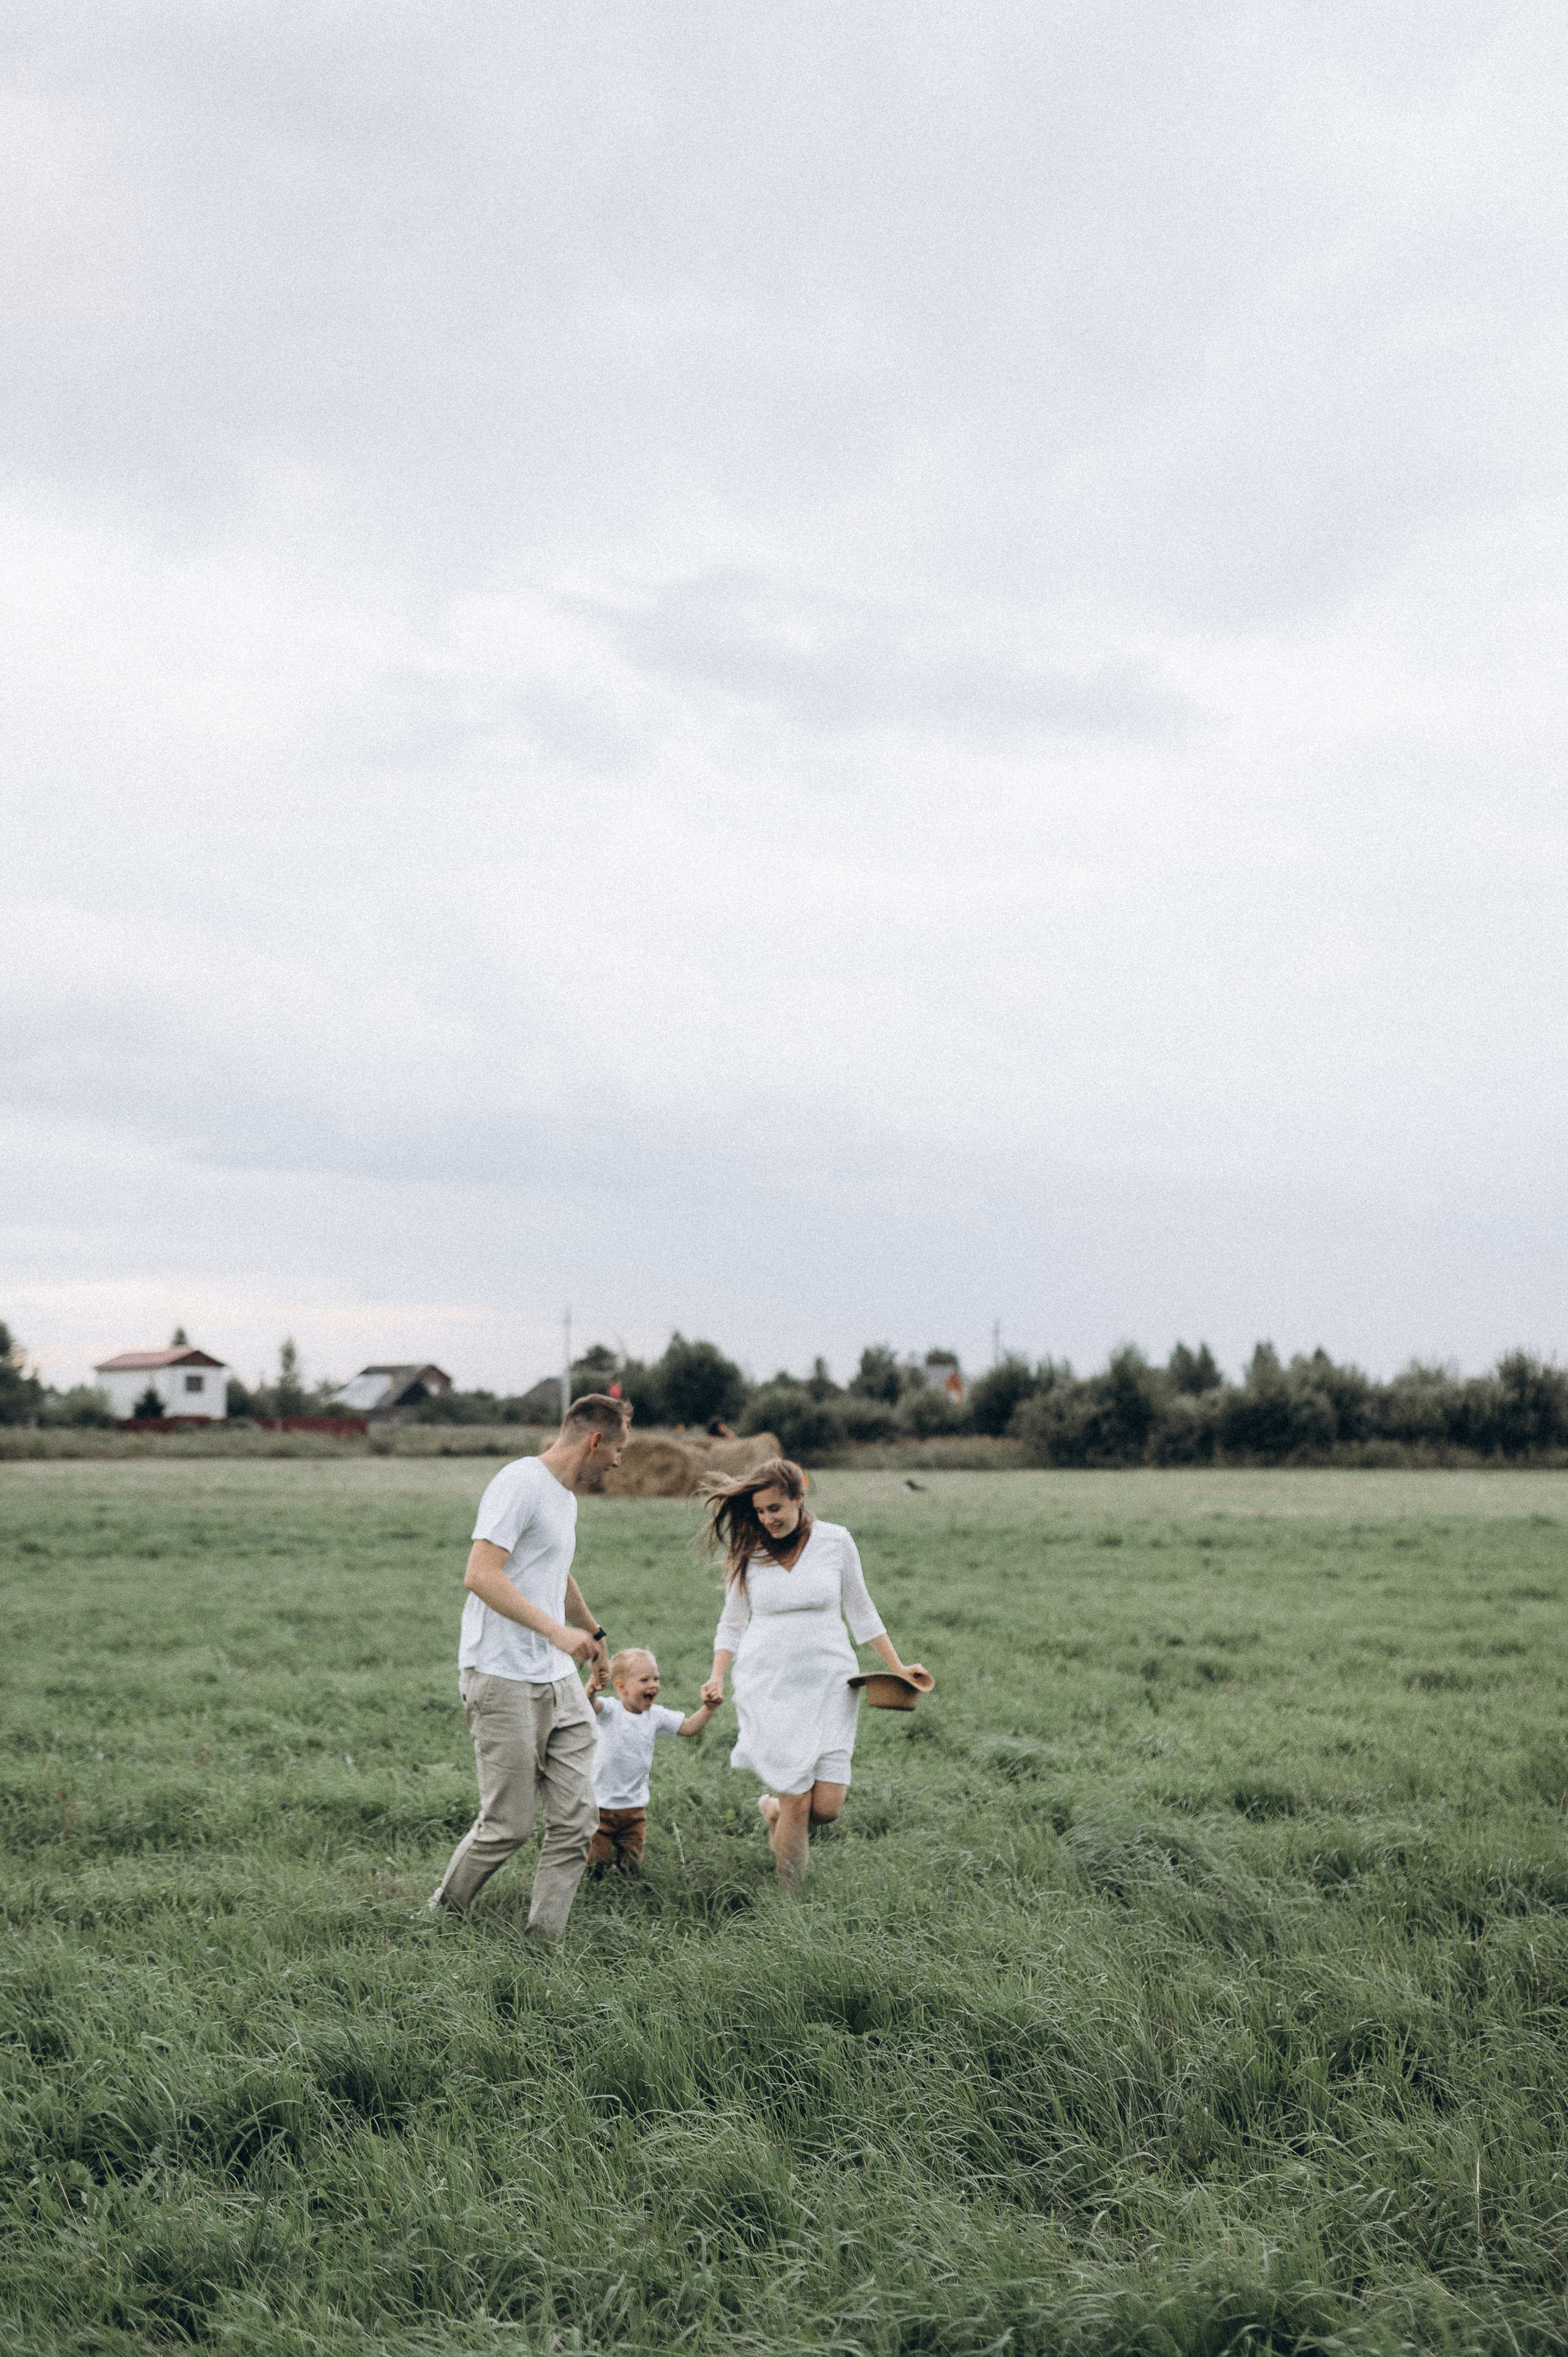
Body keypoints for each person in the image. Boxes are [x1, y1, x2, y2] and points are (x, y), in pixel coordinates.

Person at [428, 1394, 628, 1937]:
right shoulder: (519, 1483)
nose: (618, 1462)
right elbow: (481, 1573)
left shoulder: (565, 1499)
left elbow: (554, 1572)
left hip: (558, 1680)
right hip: (501, 1675)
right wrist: (556, 1632)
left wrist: (593, 1633)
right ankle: (442, 1916)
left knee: (577, 1820)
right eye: (617, 1450)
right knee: (508, 1826)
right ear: (594, 1441)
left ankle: (543, 1943)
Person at [698, 1458, 930, 1880]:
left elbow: (861, 1610)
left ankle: (773, 1810)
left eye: (775, 1508)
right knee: (798, 1801)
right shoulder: (749, 1550)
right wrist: (716, 1675)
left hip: (831, 1683)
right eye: (760, 1510)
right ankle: (790, 1903)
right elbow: (731, 1623)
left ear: (799, 1499)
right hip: (769, 1684)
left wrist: (897, 1666)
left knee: (826, 1808)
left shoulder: (836, 1541)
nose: (767, 1519)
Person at [584, 1647, 718, 1874]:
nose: (653, 1685)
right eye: (644, 1680)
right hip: (601, 1806)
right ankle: (597, 1883)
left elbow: (689, 1728)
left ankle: (628, 1883)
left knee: (632, 1866)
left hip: (635, 1809)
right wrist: (591, 1689)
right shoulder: (611, 1711)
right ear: (621, 1687)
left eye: (656, 1679)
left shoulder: (655, 1715)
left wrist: (709, 1708)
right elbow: (589, 1705)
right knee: (596, 1863)